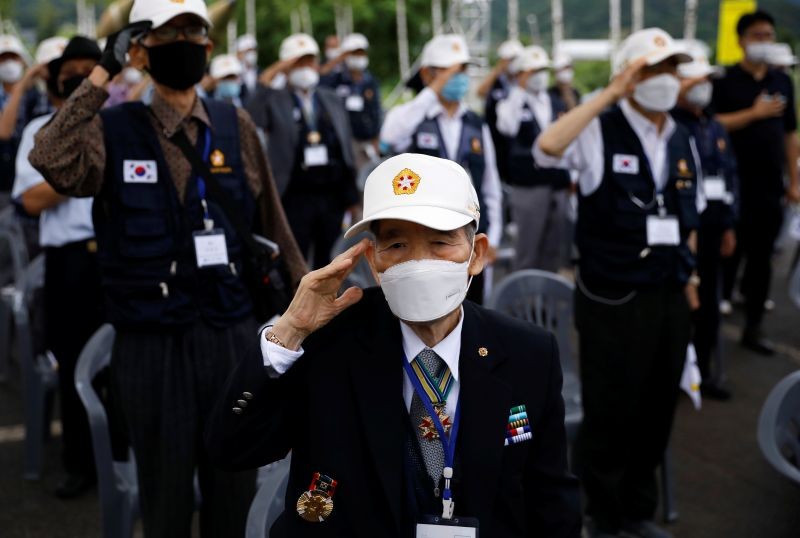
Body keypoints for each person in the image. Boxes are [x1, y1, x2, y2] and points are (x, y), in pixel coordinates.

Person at [29, 0, 306, 535]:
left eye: (193, 31)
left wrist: (307, 313)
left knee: (233, 494)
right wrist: (103, 73)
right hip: (149, 345)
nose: (183, 41)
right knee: (165, 500)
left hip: (229, 337)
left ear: (208, 45)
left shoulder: (236, 123)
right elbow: (49, 157)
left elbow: (277, 226)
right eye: (167, 33)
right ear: (141, 50)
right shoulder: (111, 128)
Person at [205, 152, 582, 538]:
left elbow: (551, 501)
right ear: (373, 261)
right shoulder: (329, 341)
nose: (419, 262)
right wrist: (288, 332)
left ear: (477, 254)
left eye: (440, 242)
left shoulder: (527, 353)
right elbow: (232, 449)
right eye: (397, 246)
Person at [535, 28, 703, 538]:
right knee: (611, 412)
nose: (666, 81)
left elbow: (686, 216)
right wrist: (610, 92)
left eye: (671, 70)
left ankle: (637, 511)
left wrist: (690, 277)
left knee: (656, 409)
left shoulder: (680, 134)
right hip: (612, 297)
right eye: (651, 70)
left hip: (669, 294)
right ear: (629, 76)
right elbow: (547, 147)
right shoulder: (598, 127)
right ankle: (601, 517)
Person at [11, 35, 104, 499]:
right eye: (72, 71)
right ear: (56, 78)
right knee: (73, 365)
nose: (81, 78)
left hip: (116, 256)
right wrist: (80, 168)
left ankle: (124, 456)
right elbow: (31, 200)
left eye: (92, 69)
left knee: (129, 363)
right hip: (69, 264)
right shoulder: (39, 132)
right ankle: (79, 462)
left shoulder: (117, 125)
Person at [380, 33, 503, 303]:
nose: (458, 78)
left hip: (469, 236)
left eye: (462, 71)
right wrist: (432, 90)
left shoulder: (476, 124)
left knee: (472, 309)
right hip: (424, 238)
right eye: (450, 71)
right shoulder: (413, 115)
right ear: (428, 74)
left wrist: (492, 238)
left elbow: (490, 186)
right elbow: (388, 138)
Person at [712, 10, 799, 355]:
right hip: (731, 183)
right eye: (757, 35)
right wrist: (753, 114)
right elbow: (712, 123)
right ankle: (718, 309)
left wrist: (794, 180)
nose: (764, 42)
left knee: (763, 255)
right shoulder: (724, 80)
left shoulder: (781, 81)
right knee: (729, 249)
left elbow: (790, 134)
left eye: (769, 35)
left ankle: (753, 325)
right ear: (741, 40)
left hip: (768, 184)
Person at [247, 33, 358, 269]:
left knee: (333, 257)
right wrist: (274, 71)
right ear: (287, 67)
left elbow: (344, 145)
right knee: (294, 256)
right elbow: (252, 115)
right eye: (299, 63)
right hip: (295, 193)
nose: (306, 68)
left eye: (310, 61)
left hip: (331, 194)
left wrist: (351, 194)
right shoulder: (276, 99)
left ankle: (334, 304)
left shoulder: (330, 98)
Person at [673, 51, 739, 400]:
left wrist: (729, 225)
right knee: (682, 302)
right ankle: (675, 372)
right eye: (696, 80)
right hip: (680, 232)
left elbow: (729, 176)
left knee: (708, 304)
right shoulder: (670, 125)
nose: (703, 87)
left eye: (706, 81)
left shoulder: (713, 125)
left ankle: (704, 372)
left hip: (713, 227)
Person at [496, 45, 572, 272]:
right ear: (520, 74)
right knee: (527, 249)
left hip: (557, 183)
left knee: (553, 249)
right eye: (532, 71)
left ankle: (546, 303)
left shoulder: (555, 102)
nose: (539, 76)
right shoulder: (511, 102)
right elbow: (506, 127)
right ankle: (521, 303)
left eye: (542, 70)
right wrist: (519, 90)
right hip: (529, 185)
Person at [320, 33, 382, 172]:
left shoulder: (371, 81)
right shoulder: (336, 80)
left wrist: (377, 138)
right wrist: (338, 59)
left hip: (368, 138)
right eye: (354, 53)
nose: (359, 57)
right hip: (346, 139)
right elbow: (319, 80)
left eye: (361, 53)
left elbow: (377, 111)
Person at [0, 35, 48, 203]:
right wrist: (20, 87)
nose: (8, 63)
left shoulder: (36, 96)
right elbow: (4, 132)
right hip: (5, 179)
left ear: (22, 61)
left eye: (13, 57)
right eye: (3, 59)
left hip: (31, 172)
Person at [478, 39, 523, 182]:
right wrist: (498, 69)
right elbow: (480, 92)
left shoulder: (522, 81)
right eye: (510, 59)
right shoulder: (496, 80)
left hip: (518, 140)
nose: (513, 63)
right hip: (495, 138)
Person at [236, 33, 259, 101]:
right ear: (239, 53)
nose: (252, 53)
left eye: (253, 50)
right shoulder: (235, 74)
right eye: (248, 51)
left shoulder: (261, 72)